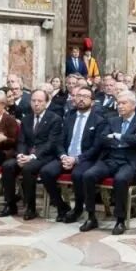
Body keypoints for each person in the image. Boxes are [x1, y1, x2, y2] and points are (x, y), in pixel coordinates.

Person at [78, 89, 136, 234]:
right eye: (118, 103)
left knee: (121, 179)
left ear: (133, 105)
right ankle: (91, 217)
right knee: (88, 175)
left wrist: (118, 136)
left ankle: (120, 220)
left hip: (130, 161)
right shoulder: (112, 120)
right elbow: (103, 139)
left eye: (123, 103)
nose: (120, 106)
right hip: (111, 158)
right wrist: (125, 139)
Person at [1, 87, 60, 219]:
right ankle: (10, 204)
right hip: (26, 154)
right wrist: (21, 154)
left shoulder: (54, 119)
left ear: (46, 102)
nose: (36, 104)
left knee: (28, 169)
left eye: (40, 101)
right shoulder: (27, 119)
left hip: (44, 156)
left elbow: (50, 143)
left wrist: (32, 156)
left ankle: (30, 207)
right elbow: (21, 141)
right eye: (33, 100)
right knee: (7, 166)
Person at [49, 86, 104, 223]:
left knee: (78, 174)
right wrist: (63, 156)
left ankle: (78, 208)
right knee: (46, 172)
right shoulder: (69, 117)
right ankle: (62, 206)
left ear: (92, 102)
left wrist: (76, 159)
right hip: (66, 156)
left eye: (85, 96)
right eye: (79, 96)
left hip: (85, 158)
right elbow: (59, 141)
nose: (81, 99)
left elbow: (96, 147)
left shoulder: (99, 120)